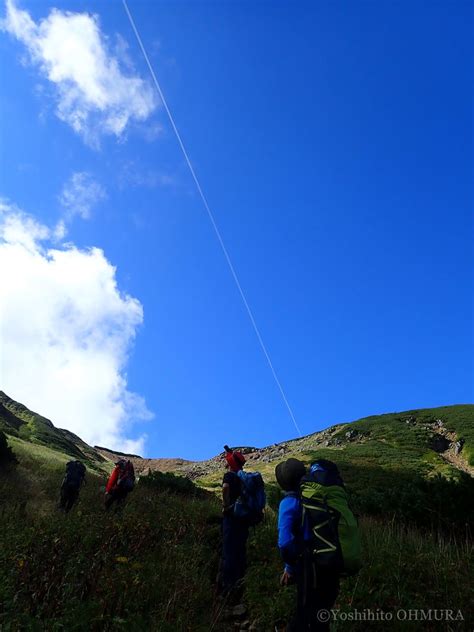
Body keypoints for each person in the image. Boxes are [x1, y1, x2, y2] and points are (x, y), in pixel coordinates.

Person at [276, 458, 341, 632]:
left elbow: (285, 542)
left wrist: (290, 567)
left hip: (310, 568)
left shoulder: (289, 503)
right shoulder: (316, 498)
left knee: (305, 615)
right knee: (322, 615)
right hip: (332, 561)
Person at [219, 445, 250, 596]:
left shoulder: (229, 476)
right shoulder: (244, 478)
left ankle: (228, 588)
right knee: (240, 548)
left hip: (231, 517)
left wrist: (225, 506)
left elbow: (225, 489)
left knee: (229, 550)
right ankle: (241, 583)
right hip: (243, 518)